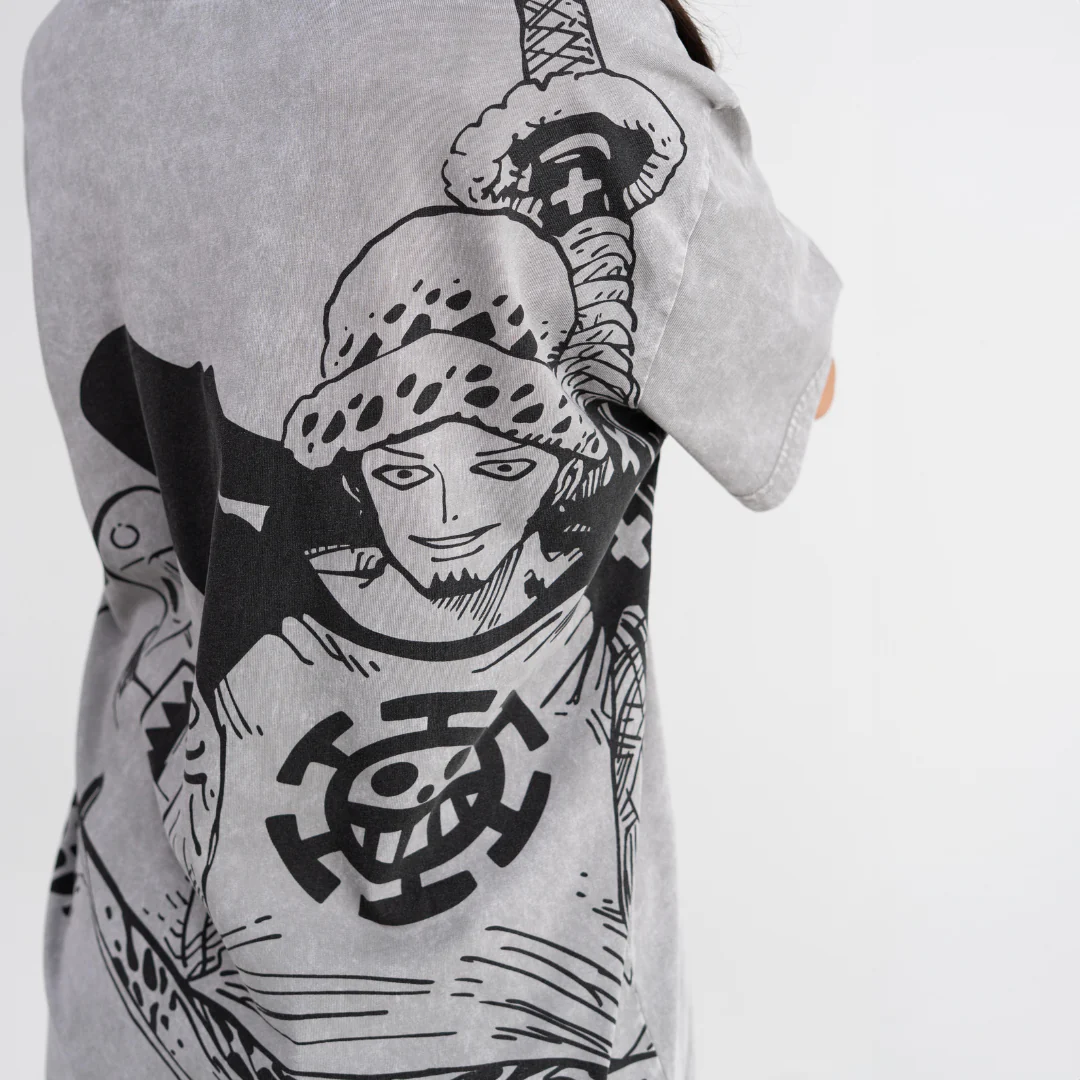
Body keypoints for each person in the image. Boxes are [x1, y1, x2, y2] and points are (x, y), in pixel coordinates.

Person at [23, 1, 840, 1077]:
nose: (448, 515)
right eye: (405, 470)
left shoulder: (80, 44)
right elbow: (790, 382)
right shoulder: (572, 38)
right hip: (538, 1019)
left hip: (134, 1011)